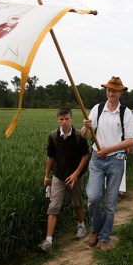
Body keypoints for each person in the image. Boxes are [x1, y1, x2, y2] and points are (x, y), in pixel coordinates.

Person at [81, 76, 133, 250]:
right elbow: (84, 135)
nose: (111, 93)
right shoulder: (97, 109)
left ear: (120, 92)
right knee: (93, 197)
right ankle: (95, 229)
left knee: (110, 203)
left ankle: (104, 237)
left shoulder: (125, 112)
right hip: (97, 158)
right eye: (109, 89)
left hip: (116, 160)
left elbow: (131, 140)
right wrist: (86, 126)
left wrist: (110, 149)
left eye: (114, 90)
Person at [39, 107, 89, 252]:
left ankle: (81, 226)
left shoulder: (79, 136)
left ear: (71, 118)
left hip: (75, 176)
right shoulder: (54, 136)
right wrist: (47, 176)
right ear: (57, 119)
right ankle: (48, 240)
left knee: (77, 203)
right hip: (59, 176)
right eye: (61, 119)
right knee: (53, 206)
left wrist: (76, 174)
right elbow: (50, 157)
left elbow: (85, 156)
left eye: (67, 118)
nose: (64, 122)